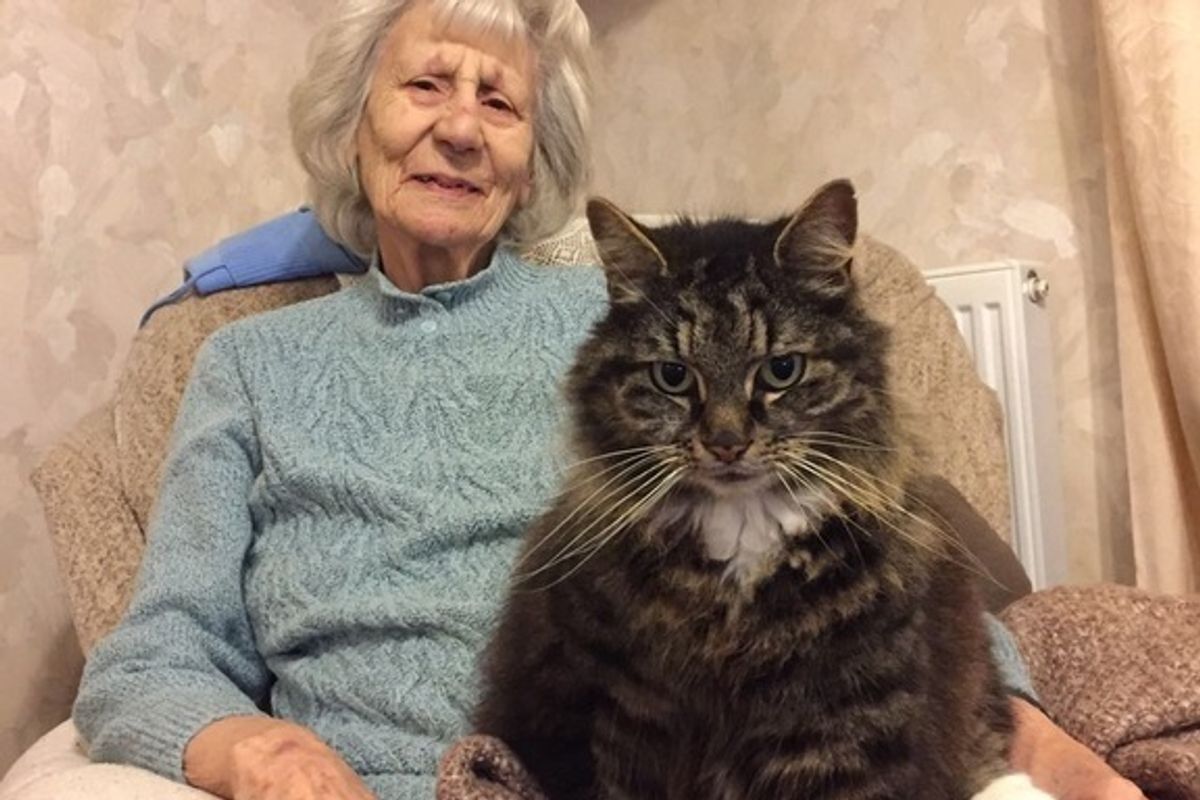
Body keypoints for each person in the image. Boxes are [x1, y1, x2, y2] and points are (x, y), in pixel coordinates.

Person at [71, 1, 1146, 799]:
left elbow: (884, 566)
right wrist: (260, 751)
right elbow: (152, 656)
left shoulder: (635, 315)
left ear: (532, 154)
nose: (462, 128)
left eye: (500, 102)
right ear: (351, 123)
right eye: (427, 86)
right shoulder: (245, 363)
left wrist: (1031, 734)